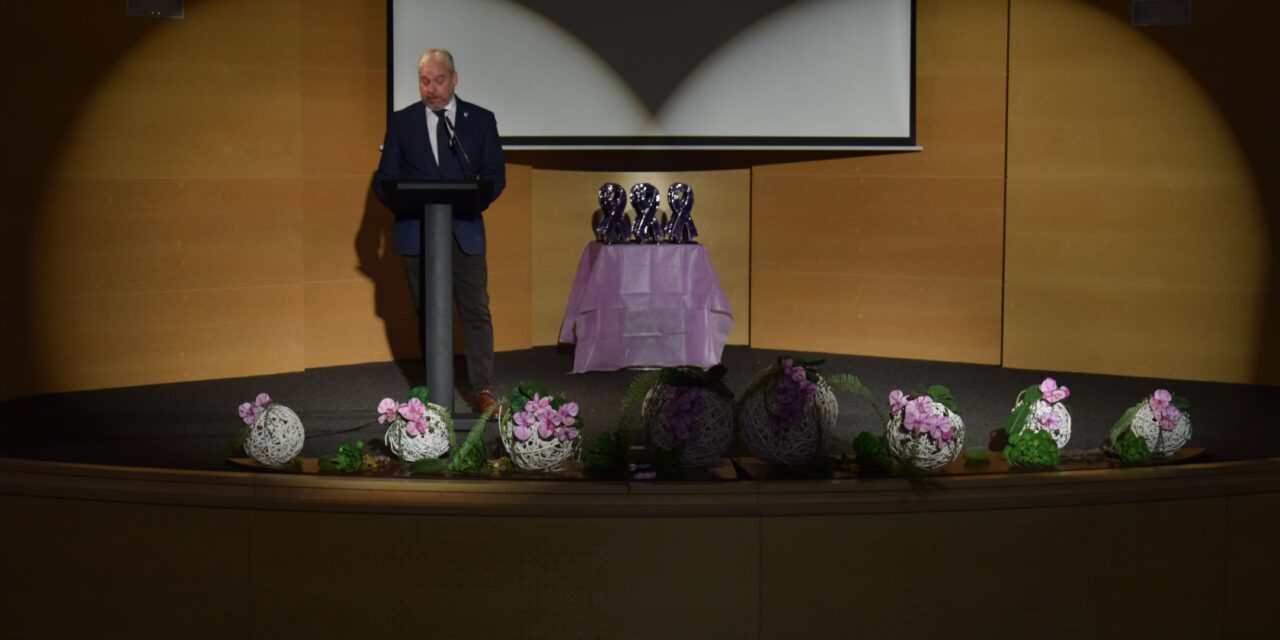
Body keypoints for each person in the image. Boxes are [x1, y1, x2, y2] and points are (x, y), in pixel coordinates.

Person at [373, 48, 505, 415]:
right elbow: (384, 179)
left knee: (476, 311)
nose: (431, 88)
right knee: (428, 314)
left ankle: (482, 390)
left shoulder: (479, 121)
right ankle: (436, 393)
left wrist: (476, 198)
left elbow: (496, 174)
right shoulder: (402, 123)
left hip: (464, 230)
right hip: (418, 232)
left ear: (454, 78)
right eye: (424, 81)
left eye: (439, 80)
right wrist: (405, 203)